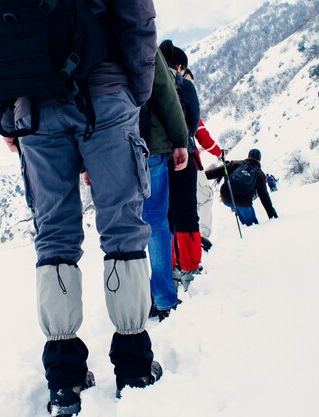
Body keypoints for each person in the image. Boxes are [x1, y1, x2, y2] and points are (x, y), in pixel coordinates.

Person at [0, 0, 162, 412]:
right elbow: (138, 18)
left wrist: (8, 109)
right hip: (105, 95)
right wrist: (136, 91)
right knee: (122, 227)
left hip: (33, 107)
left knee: (54, 237)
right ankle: (134, 366)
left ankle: (64, 378)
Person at [140, 50, 189, 321]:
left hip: (106, 148)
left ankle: (130, 303)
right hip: (149, 142)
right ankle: (162, 298)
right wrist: (180, 139)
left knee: (121, 229)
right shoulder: (136, 26)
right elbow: (164, 91)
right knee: (156, 222)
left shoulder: (81, 23)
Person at [158, 39, 202, 291]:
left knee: (164, 216)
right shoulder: (184, 85)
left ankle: (169, 267)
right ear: (180, 65)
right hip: (183, 156)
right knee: (187, 212)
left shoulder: (149, 81)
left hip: (155, 158)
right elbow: (193, 122)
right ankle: (189, 267)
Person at [183, 68, 223, 253]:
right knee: (205, 197)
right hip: (189, 161)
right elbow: (202, 136)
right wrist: (219, 152)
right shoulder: (186, 106)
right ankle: (202, 236)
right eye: (189, 82)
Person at [206, 149, 279, 226]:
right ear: (259, 159)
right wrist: (272, 214)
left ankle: (243, 224)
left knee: (237, 206)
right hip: (243, 202)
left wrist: (200, 175)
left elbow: (216, 171)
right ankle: (250, 229)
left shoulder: (236, 163)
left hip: (226, 197)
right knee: (252, 225)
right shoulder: (260, 174)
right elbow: (264, 196)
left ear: (248, 156)